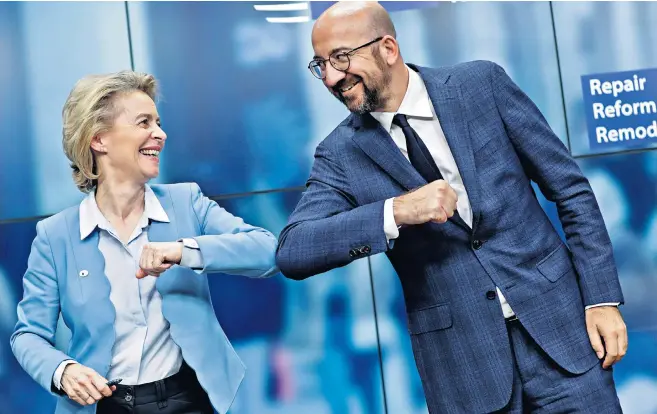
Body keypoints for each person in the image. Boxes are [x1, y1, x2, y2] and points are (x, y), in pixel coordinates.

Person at [275, 2, 628, 412]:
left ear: (388, 48)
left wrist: (601, 299)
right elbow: (293, 251)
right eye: (320, 64)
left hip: (563, 339)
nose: (332, 77)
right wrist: (395, 212)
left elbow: (570, 190)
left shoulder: (482, 85)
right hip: (464, 373)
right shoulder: (341, 153)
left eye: (341, 57)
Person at [10, 71, 278, 414]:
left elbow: (267, 251)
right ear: (99, 139)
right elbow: (28, 334)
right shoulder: (55, 236)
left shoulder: (187, 202)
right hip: (104, 406)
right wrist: (63, 371)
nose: (160, 134)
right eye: (143, 122)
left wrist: (184, 250)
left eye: (159, 122)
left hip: (189, 399)